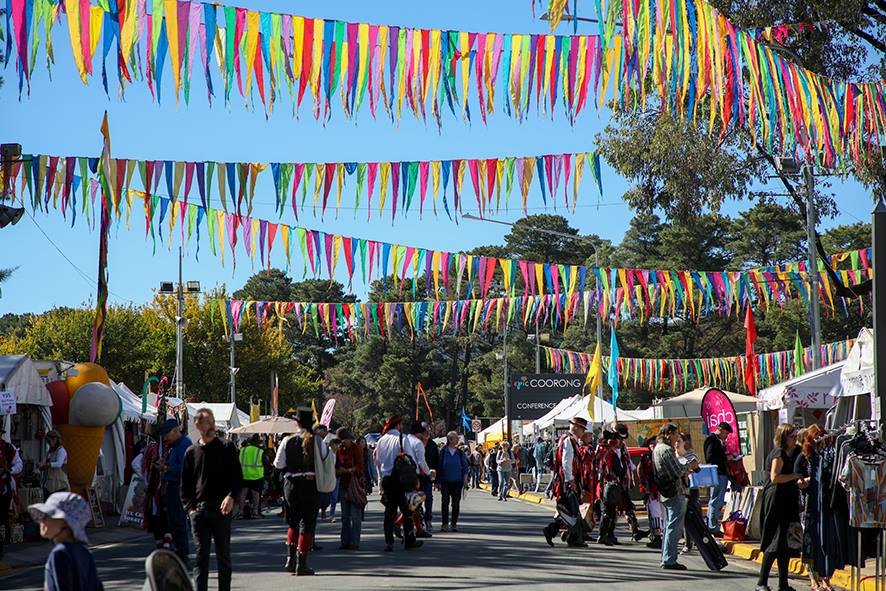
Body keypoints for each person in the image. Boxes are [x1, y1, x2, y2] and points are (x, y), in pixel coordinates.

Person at [181, 407, 243, 591]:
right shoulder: (191, 452)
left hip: (221, 509)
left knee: (223, 556)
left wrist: (231, 497)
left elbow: (237, 477)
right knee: (201, 556)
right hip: (199, 512)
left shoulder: (226, 447)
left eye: (213, 421)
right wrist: (190, 509)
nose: (212, 425)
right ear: (197, 424)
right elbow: (185, 484)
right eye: (208, 422)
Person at [756, 424, 805, 591]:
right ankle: (762, 582)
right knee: (775, 541)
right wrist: (794, 476)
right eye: (792, 436)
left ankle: (783, 583)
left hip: (786, 500)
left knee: (784, 544)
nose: (794, 439)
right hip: (777, 500)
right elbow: (775, 477)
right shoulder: (778, 453)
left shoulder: (790, 453)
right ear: (784, 437)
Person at [273, 409, 321, 574]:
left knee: (293, 522)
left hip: (291, 484)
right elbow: (329, 460)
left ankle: (290, 559)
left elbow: (278, 464)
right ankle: (302, 562)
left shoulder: (288, 440)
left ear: (297, 423)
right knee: (307, 524)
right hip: (310, 484)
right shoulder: (317, 441)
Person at [29, 492, 103, 591]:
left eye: (48, 515)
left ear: (65, 522)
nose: (42, 520)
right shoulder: (84, 553)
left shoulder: (60, 554)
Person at [653, 422, 698, 571]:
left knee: (669, 526)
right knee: (674, 527)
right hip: (674, 492)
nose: (677, 438)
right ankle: (669, 560)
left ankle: (667, 557)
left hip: (665, 492)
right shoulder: (666, 450)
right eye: (675, 434)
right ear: (668, 434)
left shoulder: (657, 449)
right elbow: (676, 471)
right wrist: (690, 467)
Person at [375, 416, 423, 552]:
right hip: (401, 479)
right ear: (398, 425)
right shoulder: (402, 438)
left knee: (389, 512)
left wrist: (380, 483)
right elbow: (410, 459)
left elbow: (378, 462)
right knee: (408, 510)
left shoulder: (381, 440)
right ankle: (409, 540)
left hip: (387, 479)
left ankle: (388, 542)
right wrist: (415, 478)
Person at [542, 417, 588, 548]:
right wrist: (571, 480)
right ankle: (574, 538)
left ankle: (552, 531)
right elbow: (566, 462)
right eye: (582, 429)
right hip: (566, 481)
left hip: (567, 480)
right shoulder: (569, 441)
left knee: (567, 510)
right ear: (576, 428)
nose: (583, 432)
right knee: (572, 510)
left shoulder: (571, 440)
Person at [795, 425, 830, 591]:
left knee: (825, 542)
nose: (820, 440)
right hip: (808, 504)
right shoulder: (803, 457)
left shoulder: (828, 455)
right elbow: (796, 478)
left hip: (824, 505)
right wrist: (806, 480)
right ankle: (813, 580)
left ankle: (825, 579)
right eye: (817, 437)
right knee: (809, 542)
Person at [157, 418, 192, 565]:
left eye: (167, 434)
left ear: (175, 431)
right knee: (173, 523)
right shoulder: (174, 445)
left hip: (179, 487)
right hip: (173, 487)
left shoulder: (184, 444)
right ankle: (177, 553)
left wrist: (167, 468)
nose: (165, 437)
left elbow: (186, 469)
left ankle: (182, 556)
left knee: (179, 523)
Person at [335, 427, 365, 550]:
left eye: (344, 440)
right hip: (343, 485)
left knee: (355, 516)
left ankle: (354, 542)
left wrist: (347, 470)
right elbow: (336, 465)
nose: (342, 442)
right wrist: (338, 471)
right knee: (345, 516)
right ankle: (345, 541)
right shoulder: (339, 450)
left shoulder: (356, 449)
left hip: (354, 485)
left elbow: (360, 467)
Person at [704, 421, 733, 535]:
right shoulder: (711, 440)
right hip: (717, 473)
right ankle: (712, 526)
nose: (726, 436)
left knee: (718, 500)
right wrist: (725, 458)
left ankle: (713, 525)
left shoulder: (717, 441)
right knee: (716, 500)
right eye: (726, 433)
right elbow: (710, 457)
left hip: (720, 473)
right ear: (720, 430)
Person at [438, 431, 470, 532]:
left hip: (457, 482)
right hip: (445, 481)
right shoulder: (443, 452)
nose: (458, 440)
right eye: (456, 438)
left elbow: (465, 468)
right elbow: (439, 467)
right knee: (445, 503)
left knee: (456, 504)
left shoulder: (460, 453)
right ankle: (444, 524)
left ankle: (454, 524)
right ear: (450, 439)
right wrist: (438, 481)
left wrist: (465, 481)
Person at [638, 436, 663, 549]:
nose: (653, 445)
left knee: (661, 513)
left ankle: (660, 536)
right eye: (650, 444)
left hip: (662, 489)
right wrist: (645, 485)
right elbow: (640, 470)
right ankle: (656, 537)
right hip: (651, 489)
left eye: (655, 443)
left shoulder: (662, 455)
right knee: (654, 513)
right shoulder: (645, 457)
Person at [0, 435, 23, 560]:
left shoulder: (8, 447)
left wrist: (10, 470)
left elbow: (19, 464)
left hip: (3, 489)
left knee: (2, 519)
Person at [238, 434, 265, 519]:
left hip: (243, 474)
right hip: (256, 475)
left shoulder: (242, 450)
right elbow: (266, 461)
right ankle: (255, 512)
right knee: (255, 494)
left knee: (243, 494)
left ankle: (241, 512)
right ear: (257, 443)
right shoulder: (259, 451)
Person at [420, 422, 439, 533]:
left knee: (429, 499)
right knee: (417, 500)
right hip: (417, 477)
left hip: (428, 478)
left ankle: (428, 520)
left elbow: (436, 462)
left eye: (428, 431)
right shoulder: (415, 443)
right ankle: (419, 521)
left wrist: (436, 480)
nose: (427, 432)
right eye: (425, 431)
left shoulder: (432, 444)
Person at [41, 430, 70, 496]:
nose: (49, 443)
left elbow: (59, 463)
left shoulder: (61, 451)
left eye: (50, 441)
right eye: (48, 441)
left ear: (55, 440)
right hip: (50, 485)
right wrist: (41, 466)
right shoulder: (49, 452)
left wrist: (48, 464)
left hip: (60, 484)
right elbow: (44, 461)